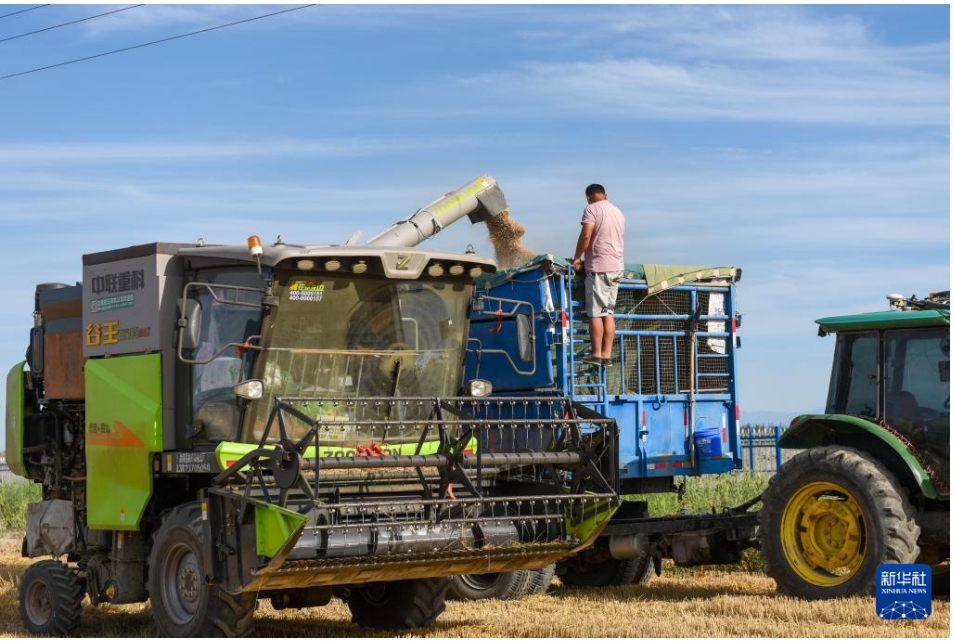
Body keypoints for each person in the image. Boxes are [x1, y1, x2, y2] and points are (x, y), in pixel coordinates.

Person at [571, 184, 625, 367]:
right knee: (608, 312)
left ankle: (596, 354)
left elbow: (586, 236)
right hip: (616, 268)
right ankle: (607, 355)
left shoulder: (591, 209)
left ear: (588, 197)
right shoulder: (618, 212)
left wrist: (577, 258)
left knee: (595, 313)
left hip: (599, 268)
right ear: (605, 195)